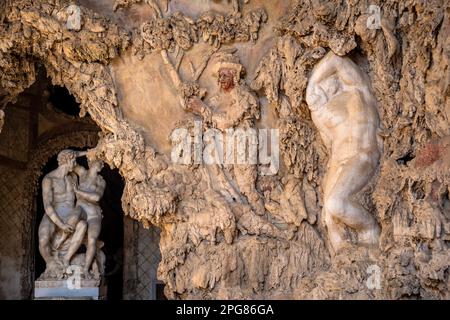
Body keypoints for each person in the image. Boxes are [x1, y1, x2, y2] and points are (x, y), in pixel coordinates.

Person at [306, 52, 382, 252]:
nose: (324, 88)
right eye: (321, 88)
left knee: (336, 203)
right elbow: (330, 149)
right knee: (328, 217)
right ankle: (344, 266)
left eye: (325, 82)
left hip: (362, 155)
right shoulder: (324, 112)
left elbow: (336, 59)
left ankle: (370, 229)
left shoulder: (359, 90)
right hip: (338, 161)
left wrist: (312, 83)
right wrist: (314, 102)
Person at [38, 149, 87, 270]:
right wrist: (61, 224)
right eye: (74, 161)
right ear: (67, 160)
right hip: (53, 214)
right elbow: (48, 206)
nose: (75, 164)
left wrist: (91, 151)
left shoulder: (73, 177)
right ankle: (50, 262)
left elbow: (81, 199)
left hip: (71, 214)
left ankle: (67, 258)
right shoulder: (49, 179)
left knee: (83, 225)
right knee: (43, 240)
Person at [73, 153, 106, 276]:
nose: (101, 166)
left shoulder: (101, 181)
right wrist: (86, 152)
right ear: (91, 162)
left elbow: (96, 197)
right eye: (99, 162)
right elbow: (68, 159)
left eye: (102, 164)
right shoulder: (82, 173)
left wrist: (78, 191)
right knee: (71, 224)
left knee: (92, 239)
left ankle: (86, 269)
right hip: (80, 211)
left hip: (94, 214)